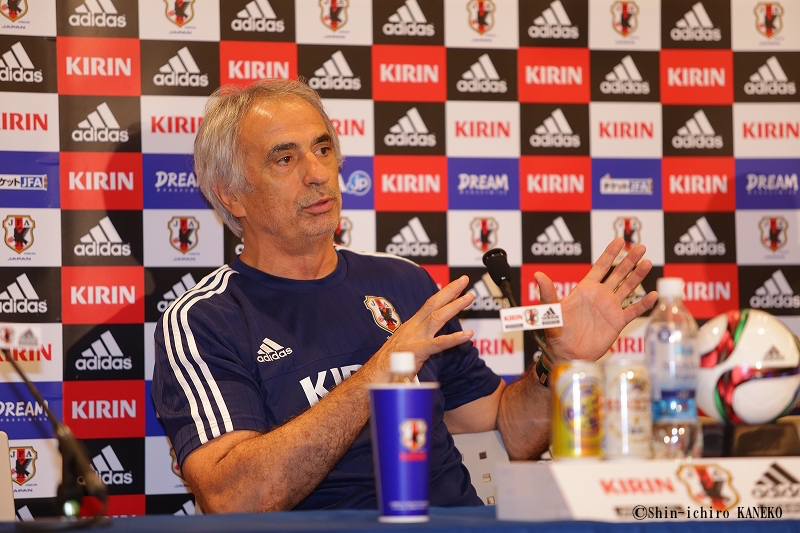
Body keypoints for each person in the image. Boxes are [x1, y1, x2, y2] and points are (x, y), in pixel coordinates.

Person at [151, 78, 658, 514]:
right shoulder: (207, 318)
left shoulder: (403, 282)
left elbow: (508, 431)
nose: (317, 173)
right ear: (230, 194)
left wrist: (559, 364)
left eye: (323, 149)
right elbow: (233, 498)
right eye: (285, 158)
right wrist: (382, 372)